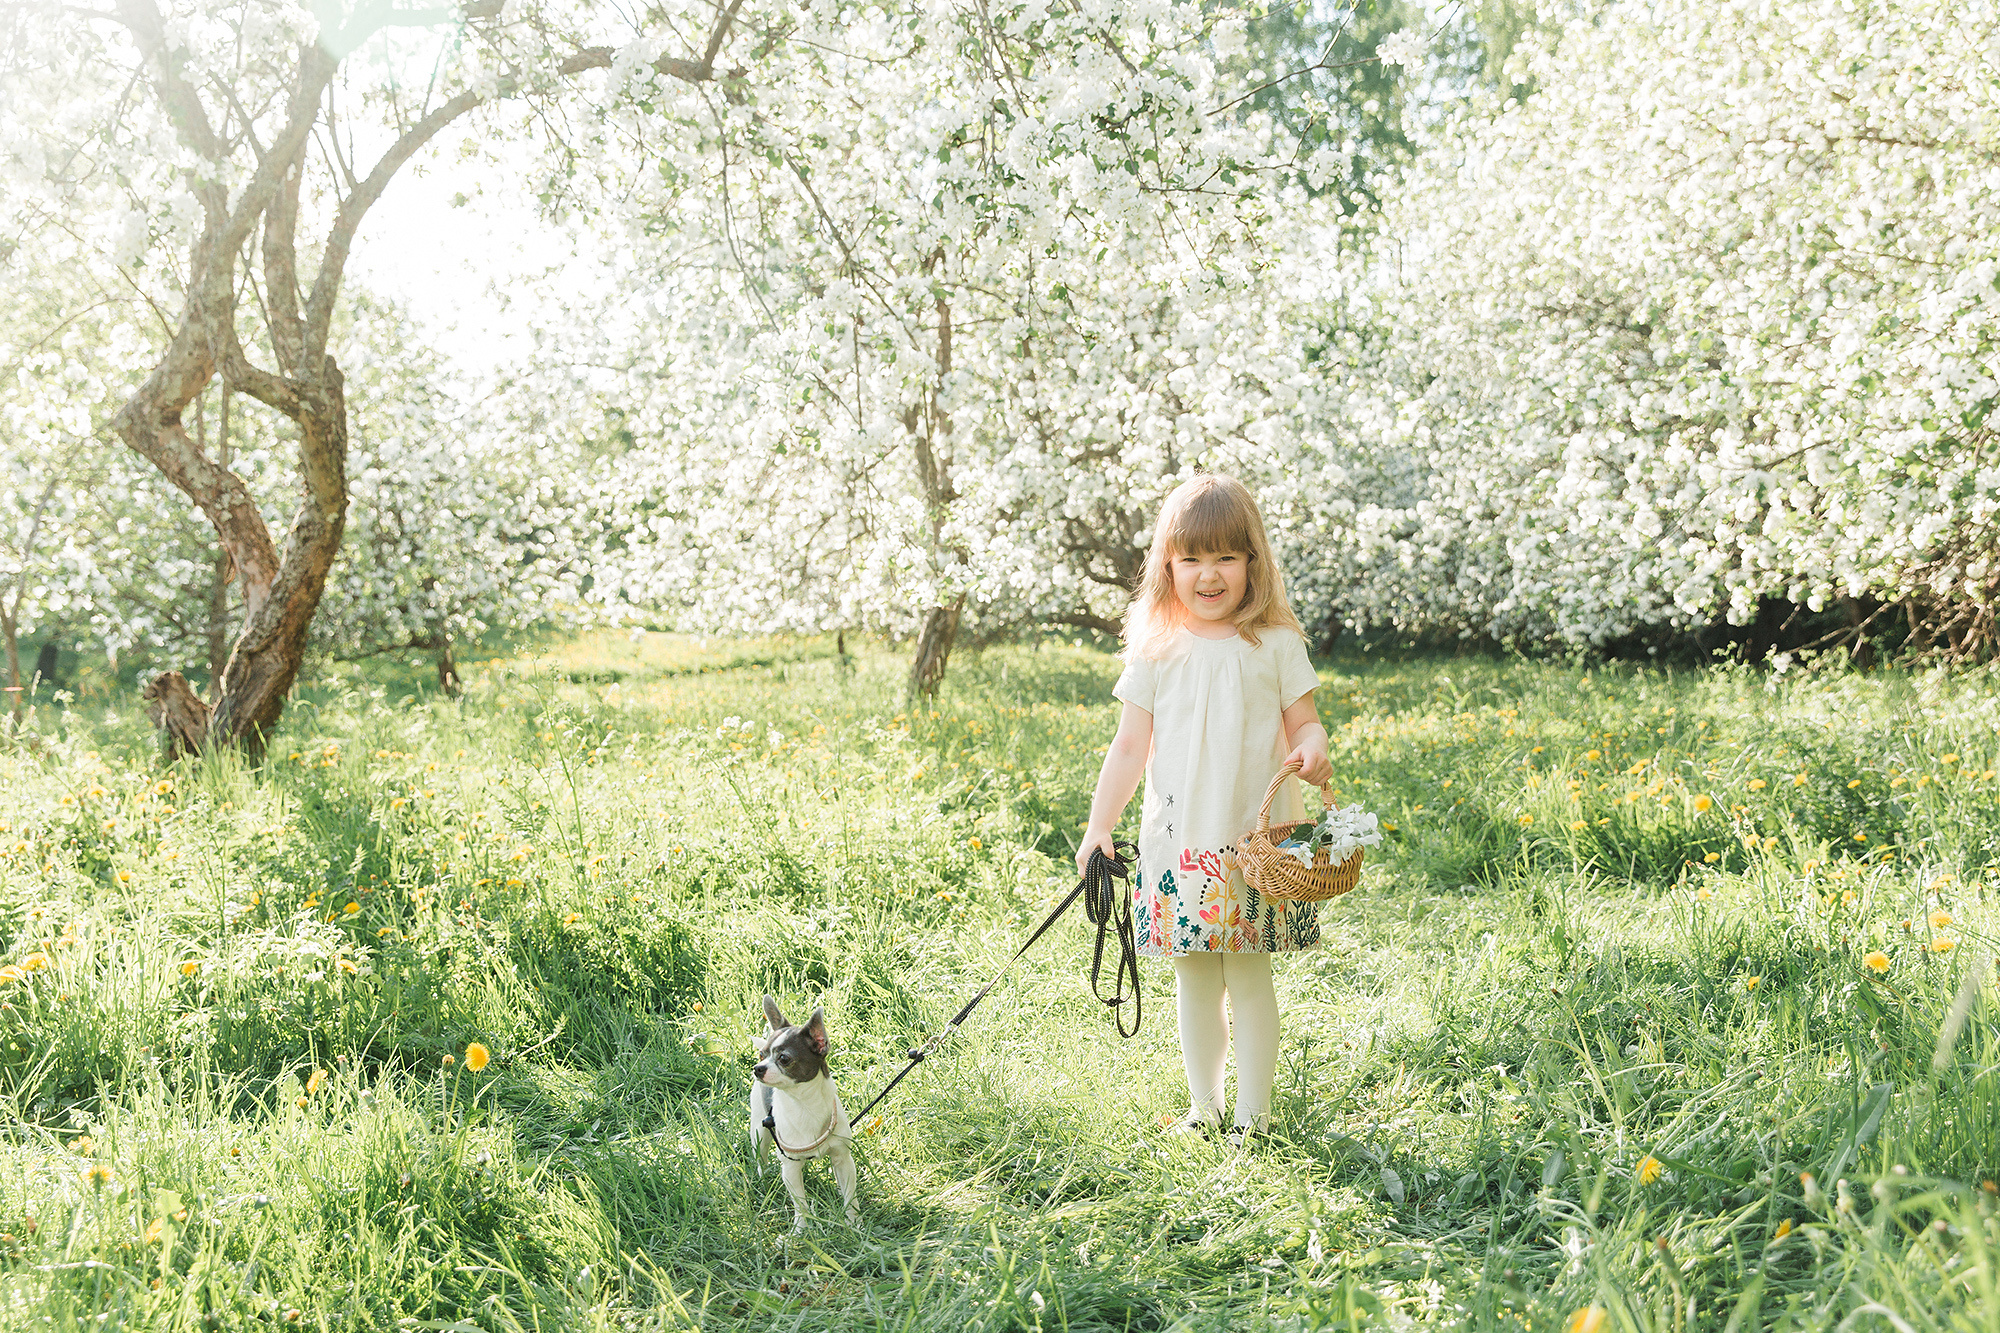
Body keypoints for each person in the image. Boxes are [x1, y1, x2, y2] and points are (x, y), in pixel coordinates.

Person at [1076, 472, 1331, 1142]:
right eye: (1192, 558)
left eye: (1226, 556)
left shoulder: (1274, 644)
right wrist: (1099, 824)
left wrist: (1313, 746)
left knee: (1248, 976)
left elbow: (1305, 723)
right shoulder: (1158, 647)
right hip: (1179, 844)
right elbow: (1130, 747)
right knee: (1194, 980)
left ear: (1252, 561)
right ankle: (1205, 1104)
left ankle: (1254, 1114)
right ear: (1168, 564)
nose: (1209, 574)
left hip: (1256, 847)